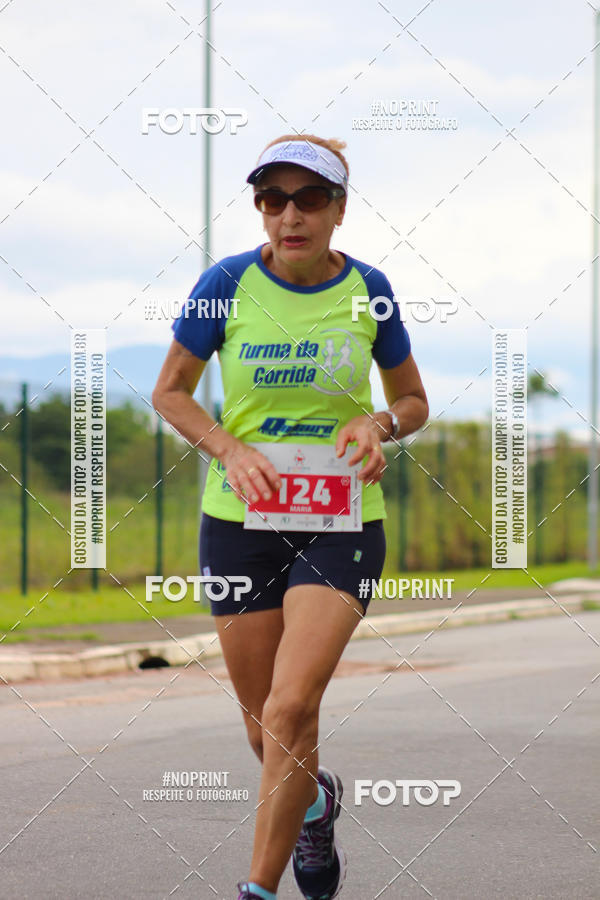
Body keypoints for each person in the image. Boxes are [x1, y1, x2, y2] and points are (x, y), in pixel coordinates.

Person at [152, 135, 429, 900]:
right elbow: (171, 390)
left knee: (291, 704)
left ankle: (258, 891)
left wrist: (378, 425)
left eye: (309, 198)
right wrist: (227, 448)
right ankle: (314, 806)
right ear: (260, 209)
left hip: (342, 524)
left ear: (340, 209)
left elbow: (414, 401)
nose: (290, 215)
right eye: (273, 199)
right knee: (263, 729)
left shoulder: (370, 289)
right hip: (239, 523)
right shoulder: (225, 283)